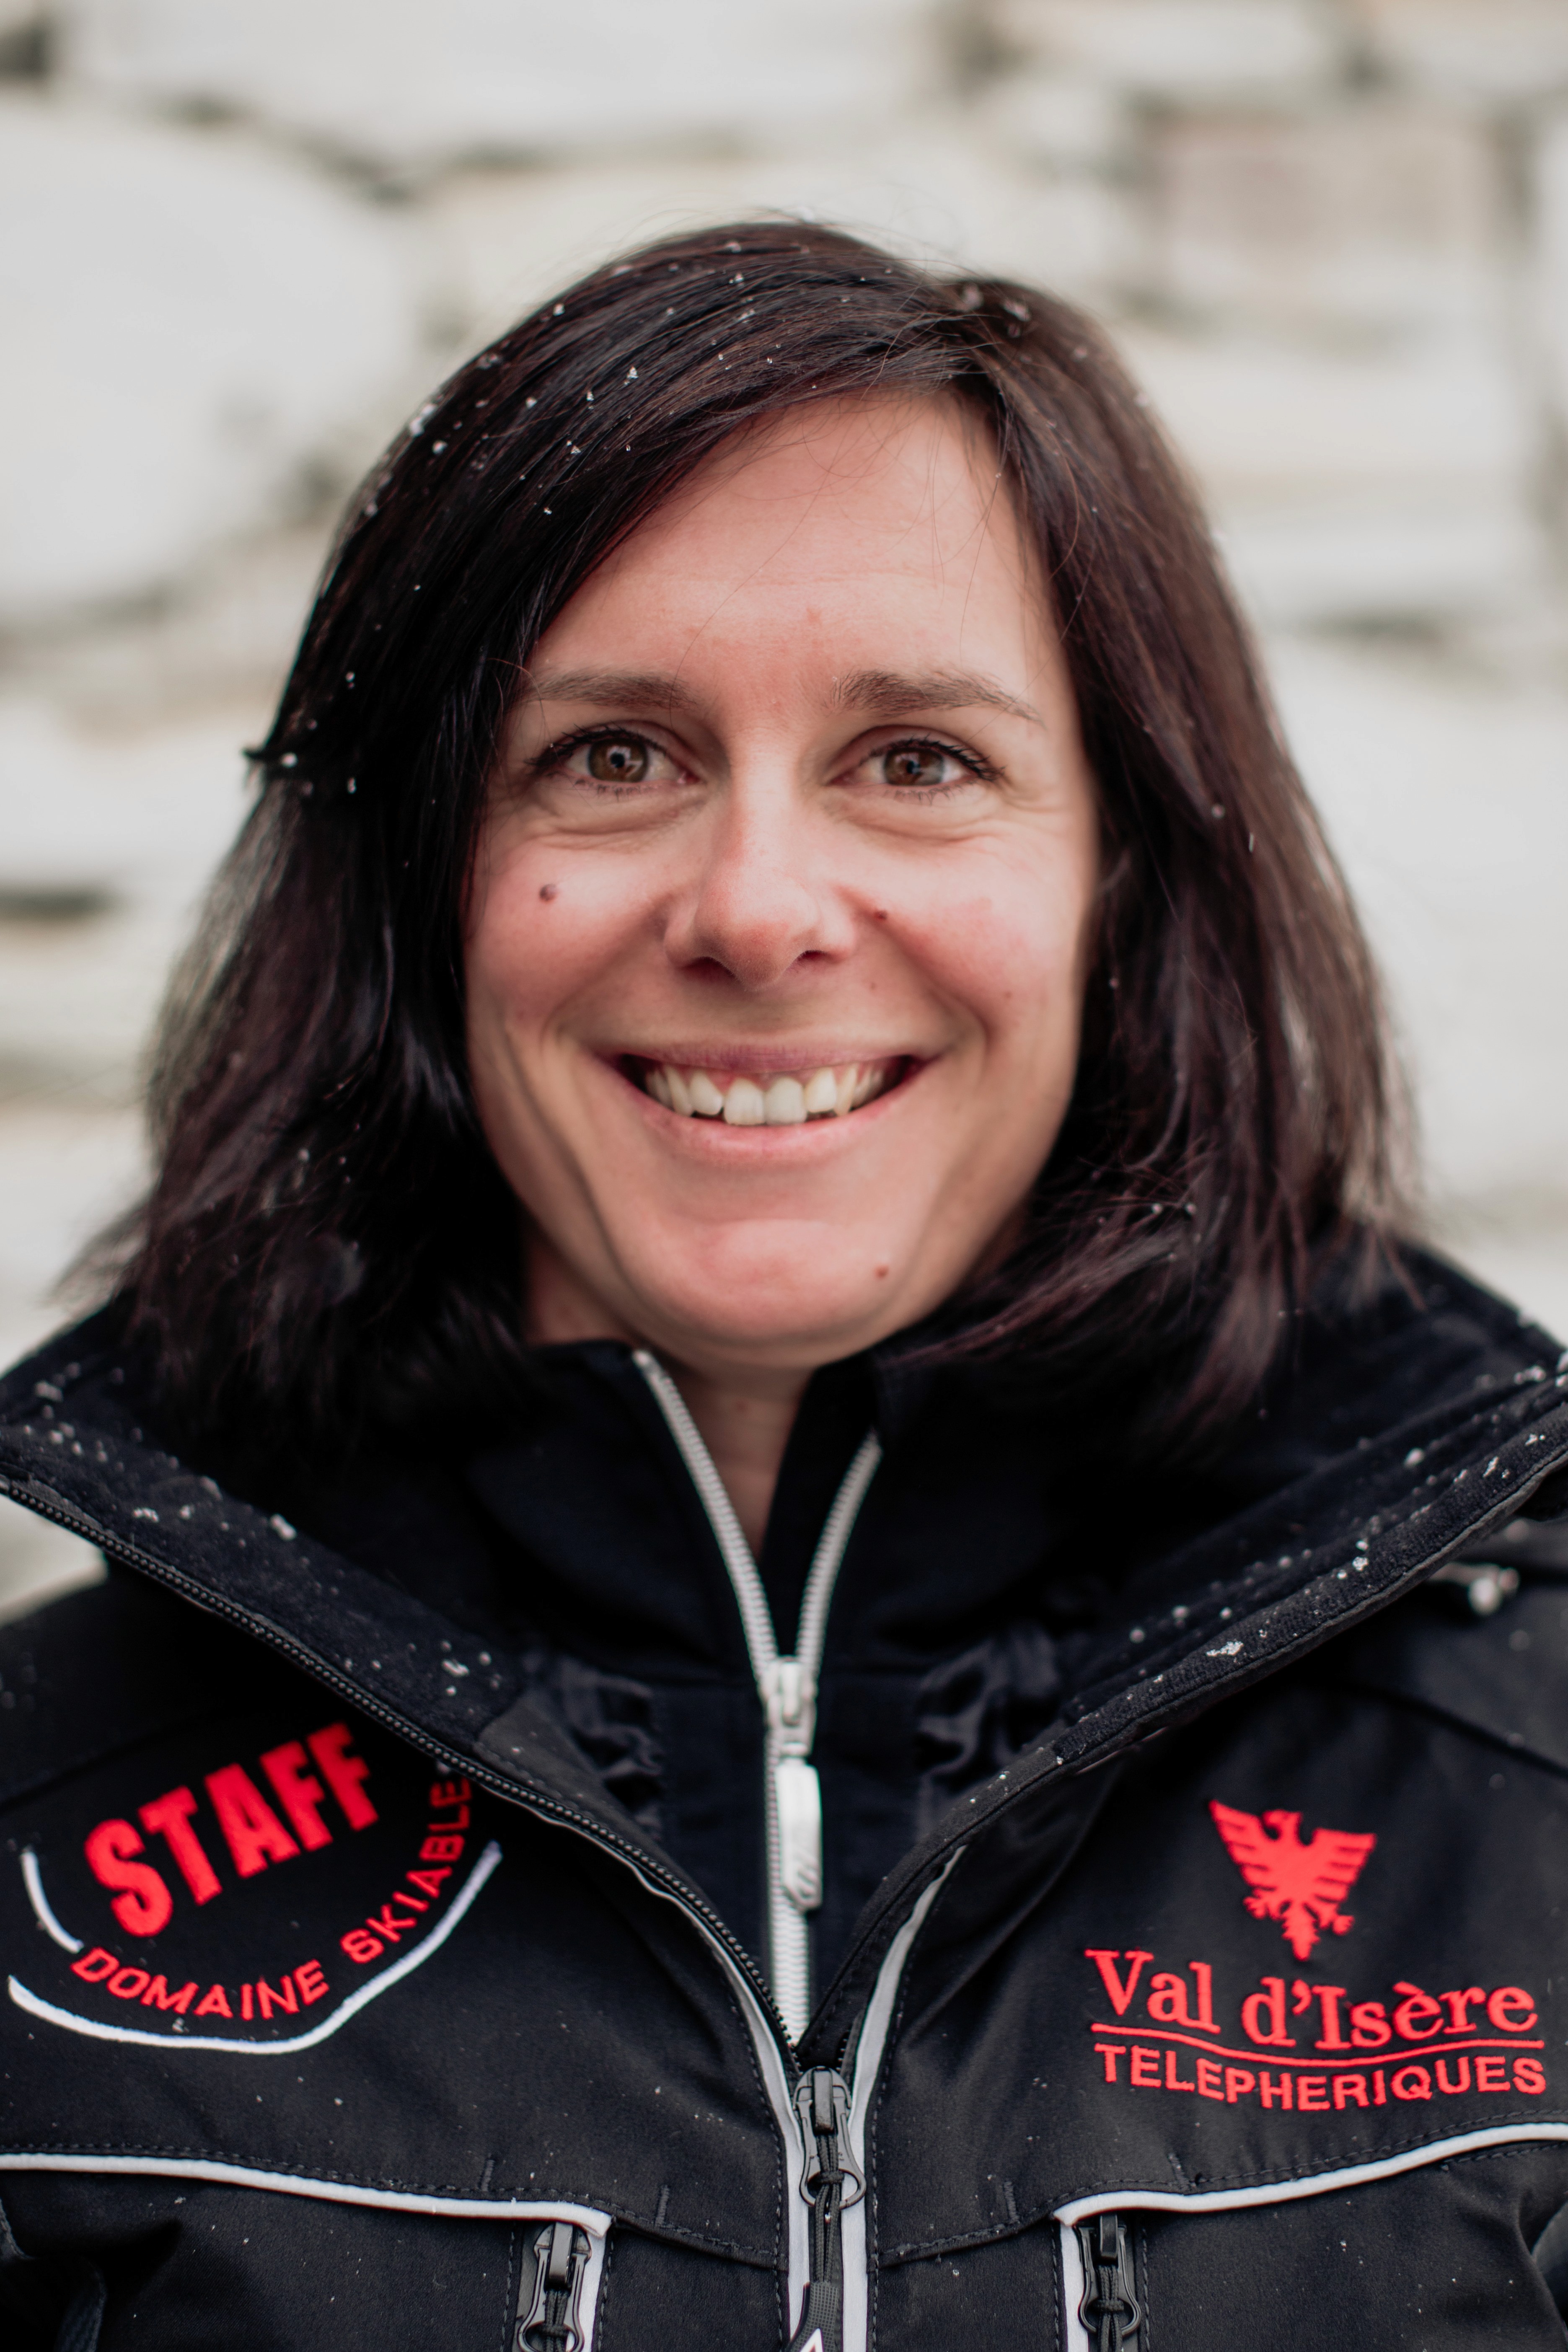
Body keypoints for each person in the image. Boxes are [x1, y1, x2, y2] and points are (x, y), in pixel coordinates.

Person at [0, 219, 1565, 2352]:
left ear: (1120, 881)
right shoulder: (36, 1825)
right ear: (421, 889)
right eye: (611, 757)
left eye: (918, 759)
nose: (755, 908)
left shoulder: (1530, 1808)